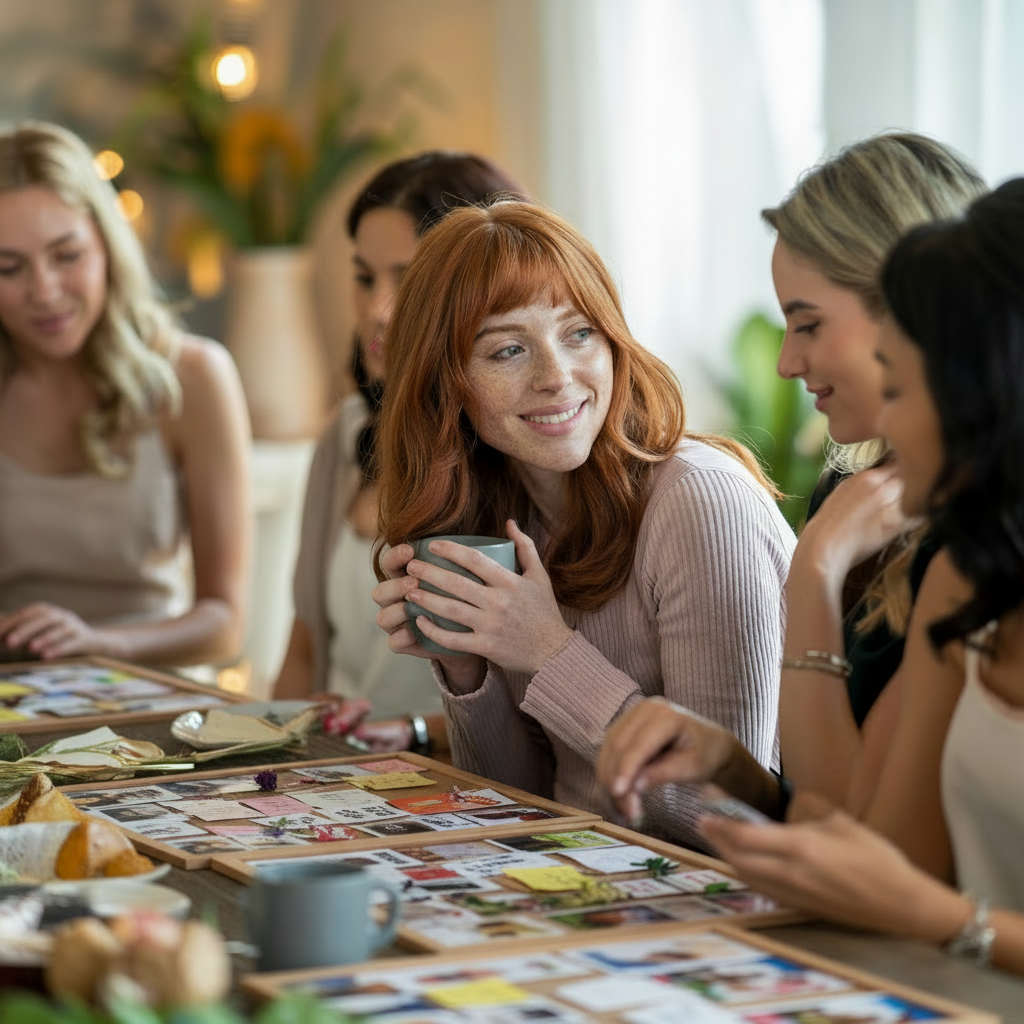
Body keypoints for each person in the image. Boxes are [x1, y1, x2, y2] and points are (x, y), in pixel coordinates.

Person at [371, 200, 795, 849]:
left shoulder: (702, 502)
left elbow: (731, 827)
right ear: (447, 384)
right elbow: (514, 801)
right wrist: (466, 669)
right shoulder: (509, 509)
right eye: (509, 350)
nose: (557, 376)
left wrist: (547, 655)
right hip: (575, 880)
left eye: (578, 334)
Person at [598, 133, 986, 822]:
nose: (784, 361)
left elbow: (861, 840)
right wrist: (729, 764)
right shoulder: (853, 493)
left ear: (907, 309)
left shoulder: (977, 539)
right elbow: (824, 812)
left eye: (806, 325)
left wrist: (813, 571)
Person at [701, 178, 1024, 977]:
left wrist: (950, 922)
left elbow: (908, 894)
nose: (890, 426)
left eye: (903, 386)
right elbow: (876, 846)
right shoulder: (963, 579)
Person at [272, 152, 526, 754]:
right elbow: (305, 645)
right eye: (364, 278)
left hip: (451, 778)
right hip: (329, 771)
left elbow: (535, 712)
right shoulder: (346, 433)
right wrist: (281, 738)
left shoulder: (520, 452)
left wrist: (411, 732)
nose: (377, 310)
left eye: (406, 278)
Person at [0, 122, 250, 668]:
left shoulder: (194, 375)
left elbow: (225, 625)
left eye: (67, 256)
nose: (44, 292)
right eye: (9, 268)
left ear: (108, 248)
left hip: (155, 694)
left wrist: (100, 644)